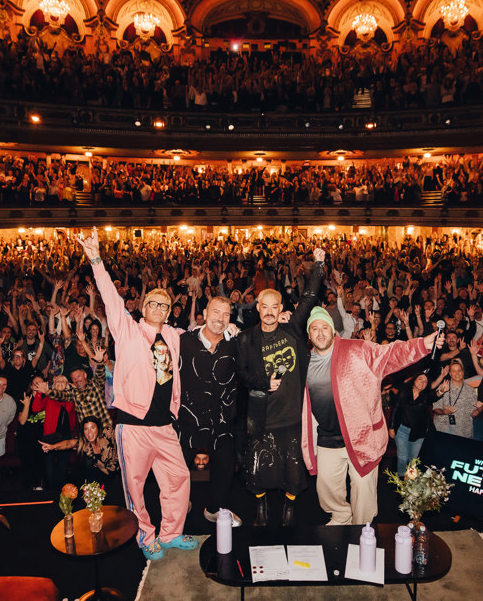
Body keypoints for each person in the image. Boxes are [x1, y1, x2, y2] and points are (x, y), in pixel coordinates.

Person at [81, 227, 197, 562]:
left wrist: (227, 327)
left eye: (165, 304)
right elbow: (111, 299)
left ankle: (171, 532)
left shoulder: (174, 336)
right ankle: (146, 536)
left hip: (164, 426)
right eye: (153, 303)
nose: (159, 307)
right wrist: (96, 260)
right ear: (144, 307)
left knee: (178, 478)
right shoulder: (128, 331)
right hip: (133, 426)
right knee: (136, 488)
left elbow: (205, 334)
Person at [301, 306, 439, 524]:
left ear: (333, 330)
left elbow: (391, 354)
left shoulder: (357, 349)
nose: (320, 332)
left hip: (361, 437)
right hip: (327, 436)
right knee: (325, 487)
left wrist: (421, 345)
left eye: (324, 327)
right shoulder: (305, 362)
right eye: (314, 328)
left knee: (363, 492)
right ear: (309, 335)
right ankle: (341, 514)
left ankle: (360, 528)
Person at [236, 247, 326, 527]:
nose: (271, 312)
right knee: (259, 468)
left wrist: (319, 265)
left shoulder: (292, 329)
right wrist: (265, 383)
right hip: (261, 416)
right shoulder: (246, 339)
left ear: (281, 310)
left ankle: (289, 511)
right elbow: (242, 374)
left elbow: (309, 297)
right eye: (266, 307)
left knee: (292, 469)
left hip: (291, 415)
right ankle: (261, 509)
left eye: (276, 307)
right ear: (258, 309)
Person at [178, 295, 242, 527]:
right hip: (188, 416)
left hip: (222, 417)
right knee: (179, 465)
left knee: (225, 465)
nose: (220, 318)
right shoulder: (183, 341)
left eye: (226, 314)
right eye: (216, 312)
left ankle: (215, 509)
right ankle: (180, 504)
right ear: (204, 314)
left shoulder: (235, 342)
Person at [390, 373, 434, 475]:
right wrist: (391, 427)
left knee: (413, 459)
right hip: (401, 430)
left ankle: (410, 482)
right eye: (420, 379)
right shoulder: (404, 392)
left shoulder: (426, 397)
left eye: (425, 382)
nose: (422, 382)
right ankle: (401, 479)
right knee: (402, 457)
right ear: (414, 380)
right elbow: (395, 410)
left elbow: (435, 397)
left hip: (418, 432)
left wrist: (441, 390)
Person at [431, 359, 477, 439]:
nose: (457, 374)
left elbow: (473, 413)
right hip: (442, 428)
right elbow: (435, 408)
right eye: (454, 371)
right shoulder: (442, 387)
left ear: (463, 372)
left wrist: (479, 409)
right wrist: (444, 412)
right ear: (450, 373)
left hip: (463, 431)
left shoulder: (470, 390)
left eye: (459, 371)